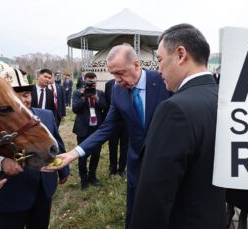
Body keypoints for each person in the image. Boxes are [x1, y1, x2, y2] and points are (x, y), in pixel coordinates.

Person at [45, 44, 170, 228]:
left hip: (165, 164)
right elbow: (107, 127)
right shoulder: (119, 92)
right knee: (135, 215)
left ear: (136, 65)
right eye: (113, 74)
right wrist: (73, 154)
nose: (117, 80)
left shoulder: (163, 81)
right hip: (137, 165)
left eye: (120, 73)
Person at [129, 23, 226, 229]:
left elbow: (154, 197)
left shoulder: (175, 109)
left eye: (160, 59)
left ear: (181, 54)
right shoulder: (224, 99)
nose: (158, 68)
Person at [0, 67, 70, 229]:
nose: (23, 100)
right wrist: (0, 161)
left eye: (26, 94)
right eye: (15, 95)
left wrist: (64, 170)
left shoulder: (45, 115)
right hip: (10, 196)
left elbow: (57, 143)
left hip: (42, 191)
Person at [72, 72, 107, 190]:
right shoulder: (77, 93)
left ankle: (92, 177)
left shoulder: (101, 93)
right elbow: (75, 109)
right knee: (82, 155)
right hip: (83, 128)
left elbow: (105, 107)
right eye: (89, 82)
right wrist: (84, 97)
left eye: (94, 82)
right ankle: (84, 180)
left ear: (96, 81)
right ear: (84, 81)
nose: (92, 84)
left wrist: (96, 98)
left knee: (96, 154)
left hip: (97, 128)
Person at [105, 79, 128, 177]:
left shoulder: (127, 83)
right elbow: (107, 102)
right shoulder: (109, 84)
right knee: (112, 146)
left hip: (126, 122)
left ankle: (122, 168)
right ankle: (113, 167)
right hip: (113, 122)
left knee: (125, 146)